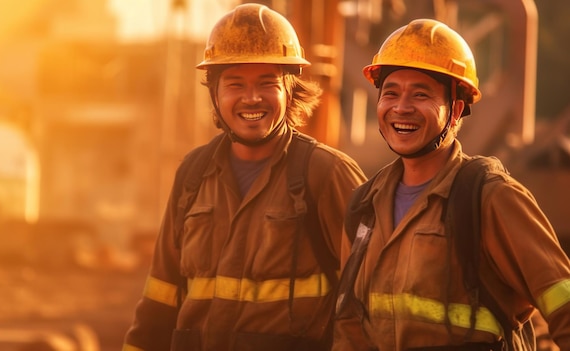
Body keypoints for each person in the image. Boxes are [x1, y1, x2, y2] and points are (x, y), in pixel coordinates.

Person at [122, 3, 366, 351]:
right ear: (215, 94)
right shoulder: (193, 174)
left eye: (267, 83)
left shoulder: (327, 174)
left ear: (289, 90)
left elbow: (366, 302)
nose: (252, 98)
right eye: (235, 84)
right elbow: (160, 299)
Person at [332, 18, 570, 350]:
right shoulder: (364, 205)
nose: (401, 107)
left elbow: (564, 304)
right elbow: (350, 325)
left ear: (456, 109)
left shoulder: (489, 197)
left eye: (420, 94)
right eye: (391, 93)